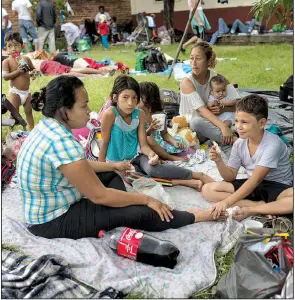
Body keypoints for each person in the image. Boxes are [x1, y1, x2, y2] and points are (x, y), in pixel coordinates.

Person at [17, 75, 222, 239]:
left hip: (59, 199)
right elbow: (99, 196)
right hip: (52, 220)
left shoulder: (47, 126)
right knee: (143, 211)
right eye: (83, 106)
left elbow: (78, 166)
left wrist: (113, 165)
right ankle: (194, 215)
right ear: (64, 110)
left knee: (112, 175)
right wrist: (146, 199)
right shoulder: (62, 141)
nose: (89, 111)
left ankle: (121, 209)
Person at [99, 75, 214, 191]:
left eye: (134, 98)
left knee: (153, 169)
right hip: (116, 162)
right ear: (115, 97)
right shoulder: (110, 115)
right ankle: (184, 182)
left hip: (137, 156)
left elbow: (143, 144)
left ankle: (197, 175)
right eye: (125, 97)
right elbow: (104, 143)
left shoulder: (139, 114)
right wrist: (101, 169)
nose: (130, 103)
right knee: (132, 179)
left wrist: (151, 155)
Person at [202, 95, 293, 220]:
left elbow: (255, 179)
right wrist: (219, 161)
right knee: (207, 189)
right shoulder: (239, 143)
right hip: (253, 186)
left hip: (275, 186)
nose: (238, 127)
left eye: (244, 122)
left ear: (261, 123)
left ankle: (251, 210)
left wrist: (226, 202)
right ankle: (260, 206)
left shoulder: (273, 144)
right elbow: (230, 176)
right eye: (237, 121)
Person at [180, 41, 240, 145]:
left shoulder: (217, 78)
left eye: (198, 59)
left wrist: (223, 109)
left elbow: (239, 104)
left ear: (208, 61)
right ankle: (237, 142)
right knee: (197, 122)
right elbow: (202, 110)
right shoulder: (187, 82)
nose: (193, 63)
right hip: (194, 131)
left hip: (216, 124)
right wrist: (223, 127)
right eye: (191, 58)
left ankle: (223, 136)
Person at [138, 81, 188, 162]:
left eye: (138, 98)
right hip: (145, 144)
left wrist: (174, 142)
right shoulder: (139, 114)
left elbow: (164, 134)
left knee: (180, 140)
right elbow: (141, 138)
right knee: (149, 139)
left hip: (159, 142)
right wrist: (150, 129)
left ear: (148, 99)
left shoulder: (159, 114)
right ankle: (170, 157)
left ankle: (161, 155)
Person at [2, 32, 36, 130]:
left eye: (16, 45)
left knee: (29, 111)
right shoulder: (6, 62)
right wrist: (18, 71)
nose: (13, 49)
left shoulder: (26, 59)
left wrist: (33, 73)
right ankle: (11, 131)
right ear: (6, 49)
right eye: (10, 46)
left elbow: (32, 69)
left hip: (26, 92)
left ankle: (32, 129)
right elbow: (6, 77)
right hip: (15, 92)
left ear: (22, 46)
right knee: (14, 113)